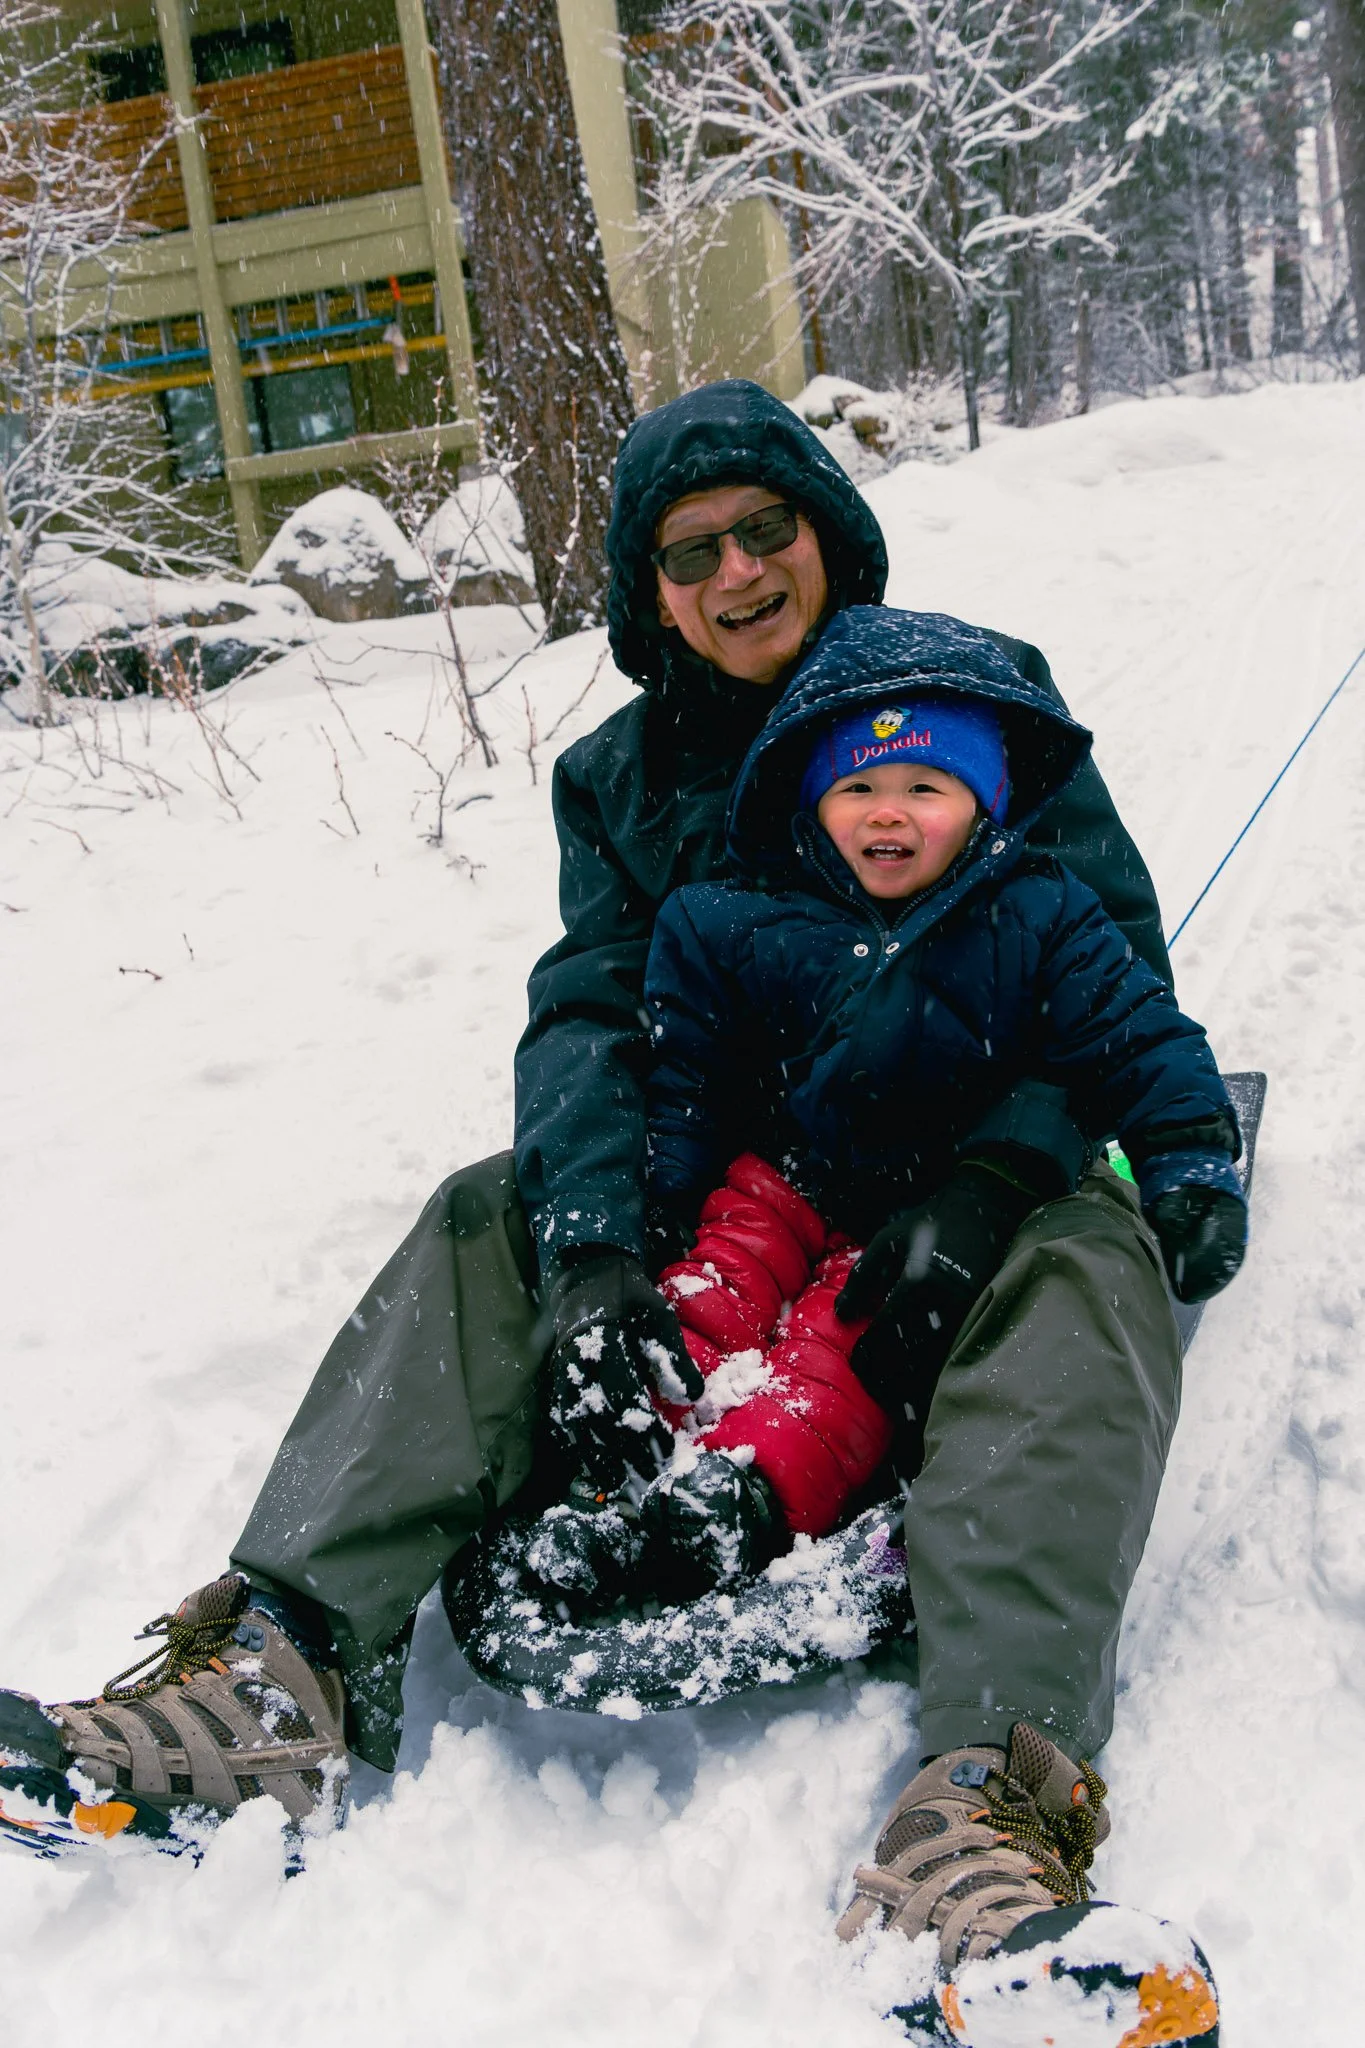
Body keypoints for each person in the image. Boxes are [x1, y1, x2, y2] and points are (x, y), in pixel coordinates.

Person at [0, 383, 1177, 1879]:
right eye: (692, 556)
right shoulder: (618, 782)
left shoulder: (979, 690)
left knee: (1088, 1257)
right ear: (651, 596)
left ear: (827, 531)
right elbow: (594, 1018)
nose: (738, 573)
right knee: (492, 1208)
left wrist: (1003, 1167)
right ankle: (277, 1679)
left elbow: (1116, 969)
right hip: (750, 1182)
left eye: (765, 530)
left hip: (965, 1159)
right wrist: (596, 1254)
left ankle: (990, 1798)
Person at [622, 619, 1245, 1643]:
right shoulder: (743, 915)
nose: (889, 814)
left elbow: (1143, 1037)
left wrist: (1190, 1161)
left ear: (985, 804)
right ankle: (623, 1467)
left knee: (848, 1344)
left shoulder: (1042, 914)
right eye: (858, 787)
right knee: (713, 1284)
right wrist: (660, 1197)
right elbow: (690, 1071)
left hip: (921, 1213)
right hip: (784, 1178)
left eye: (926, 788)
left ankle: (744, 1494)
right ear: (814, 802)